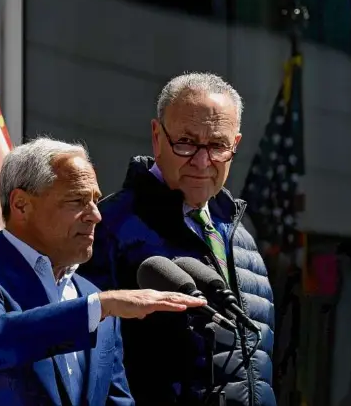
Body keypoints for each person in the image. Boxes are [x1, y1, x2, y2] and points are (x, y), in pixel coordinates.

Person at [0, 137, 207, 406]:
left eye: (95, 200)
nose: (96, 215)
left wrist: (100, 306)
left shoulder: (92, 297)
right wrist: (100, 307)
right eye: (77, 201)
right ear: (21, 204)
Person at [79, 72, 277, 405]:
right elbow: (87, 361)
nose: (202, 162)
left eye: (217, 146)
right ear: (157, 137)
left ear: (235, 145)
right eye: (185, 142)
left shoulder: (240, 236)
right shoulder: (108, 228)